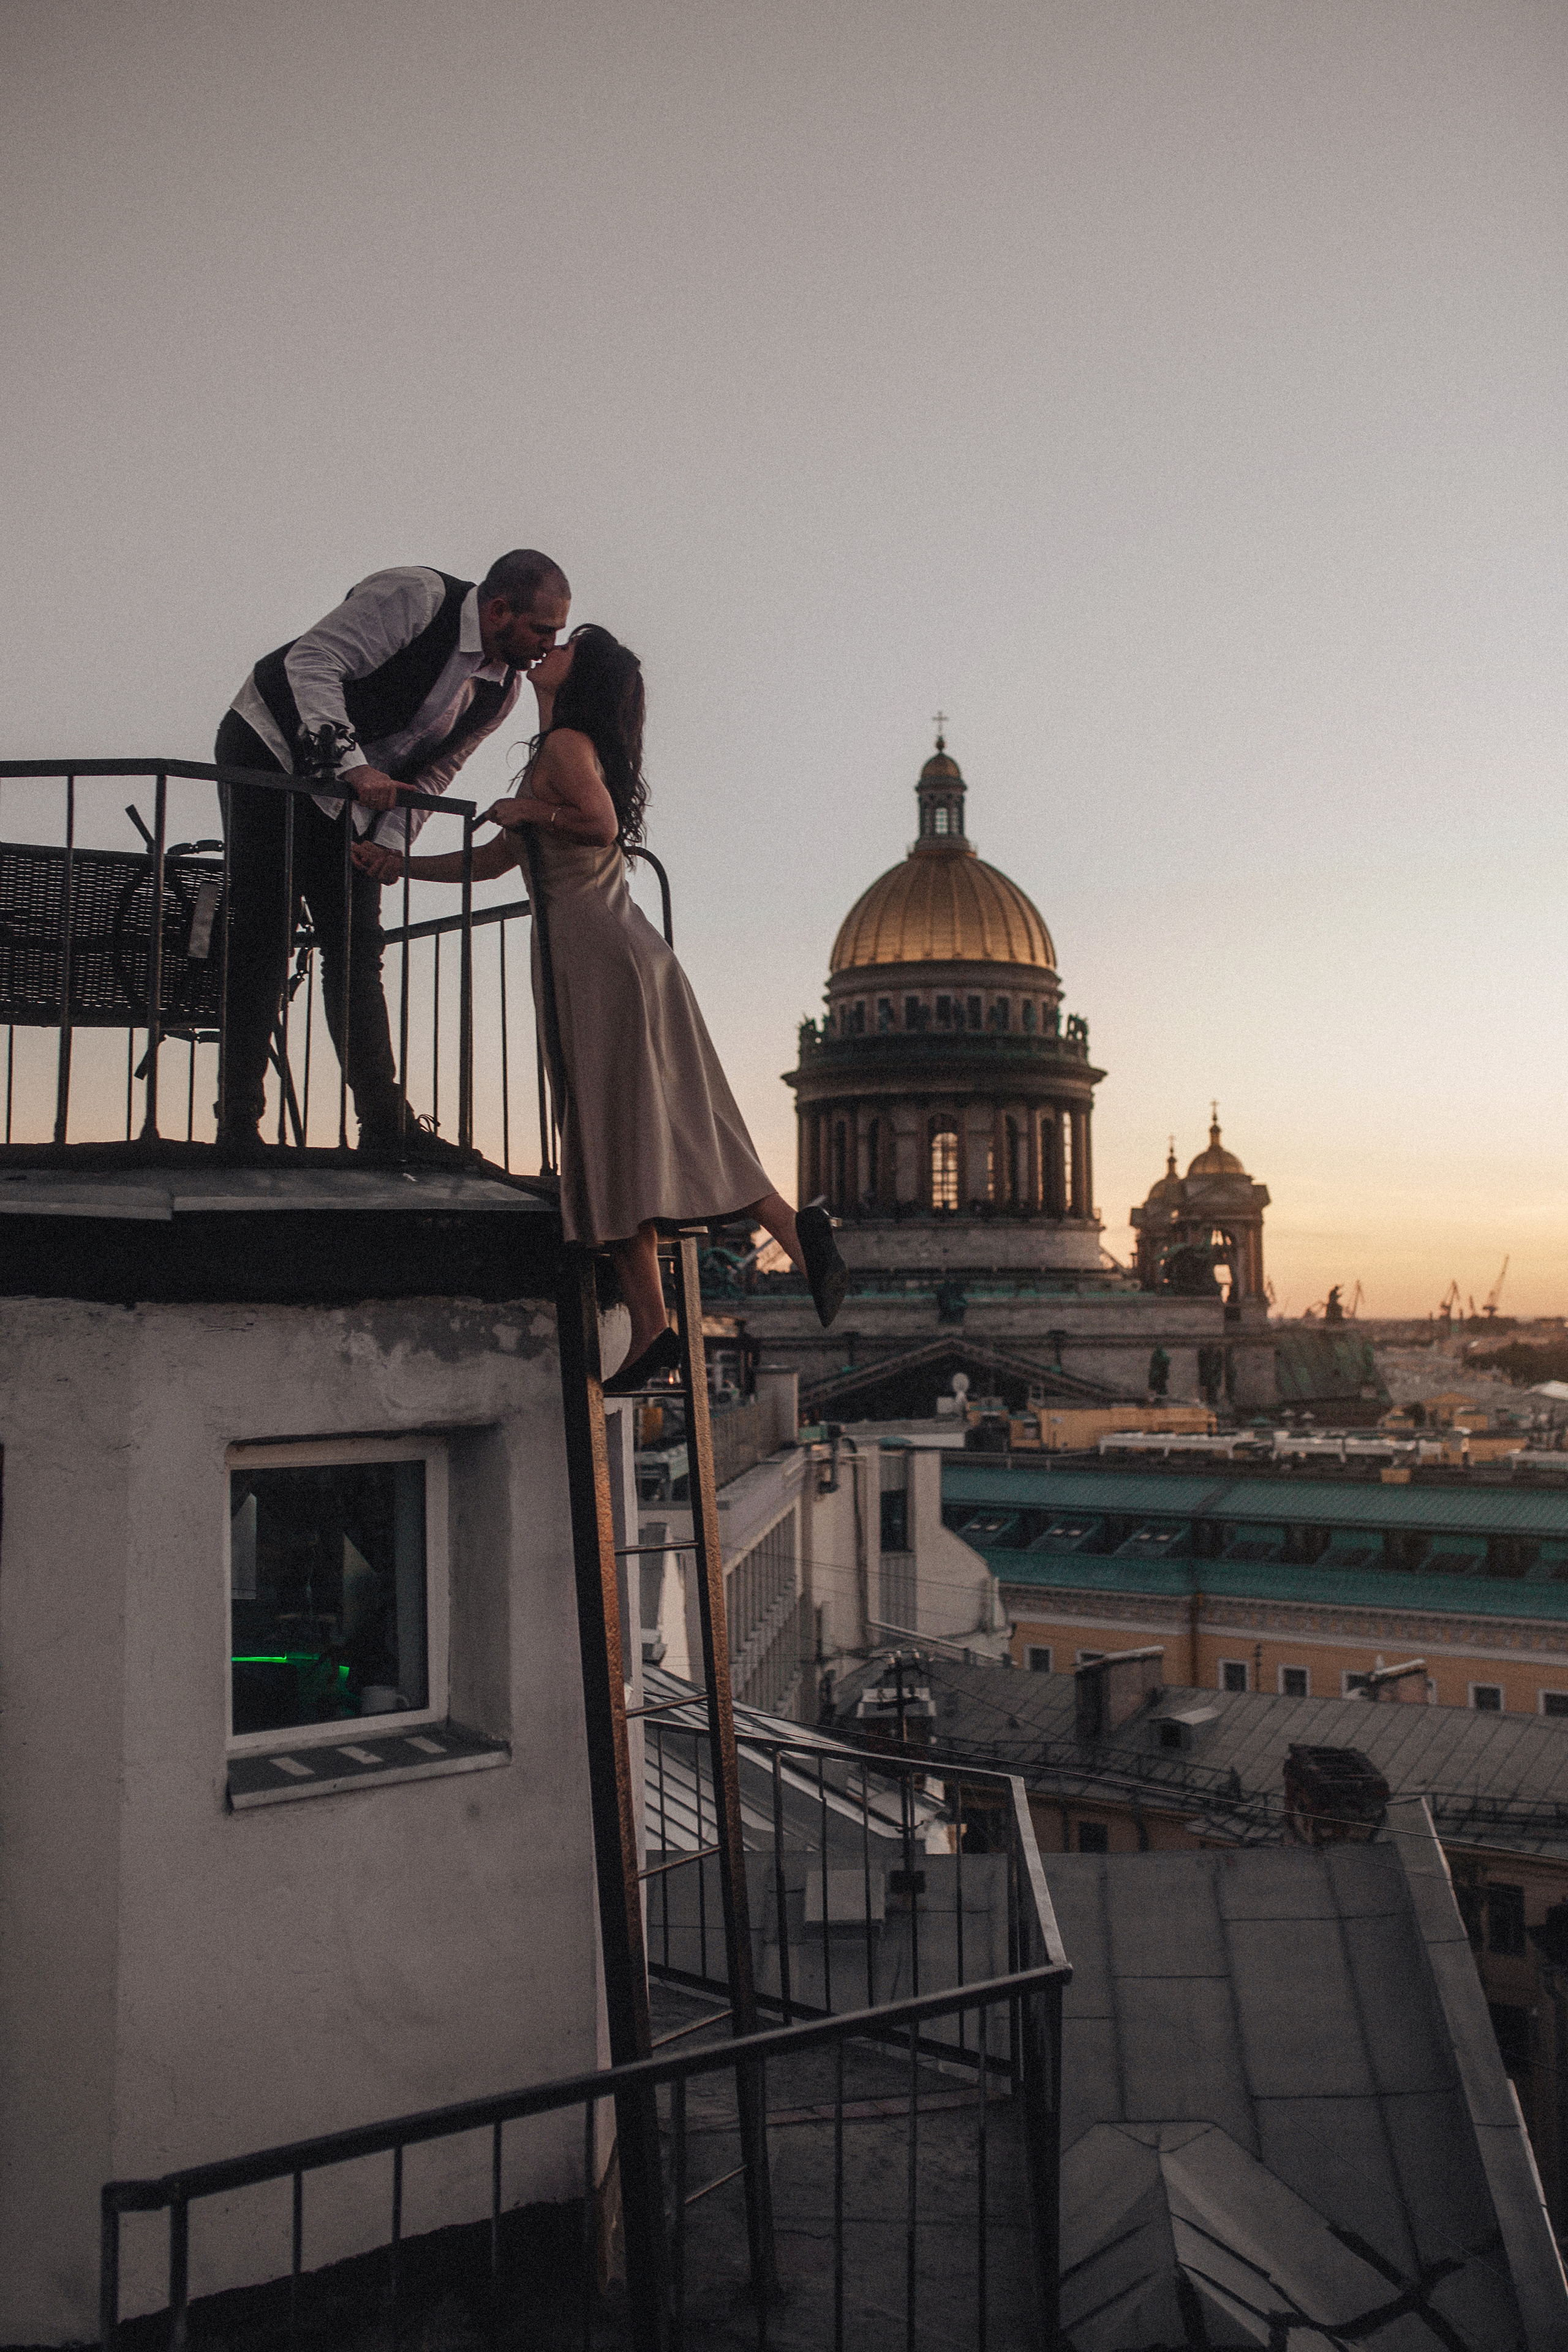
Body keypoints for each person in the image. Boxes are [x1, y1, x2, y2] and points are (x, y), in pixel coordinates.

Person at [354, 624, 848, 1385]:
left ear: (581, 677)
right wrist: (401, 865)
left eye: (567, 647)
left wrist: (532, 816)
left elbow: (598, 826)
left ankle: (655, 1323)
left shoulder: (564, 749)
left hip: (600, 957)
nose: (548, 650)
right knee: (666, 1114)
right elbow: (492, 863)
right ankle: (787, 1229)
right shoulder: (560, 752)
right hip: (615, 953)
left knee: (611, 1124)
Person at [214, 551, 571, 1159]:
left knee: (356, 949)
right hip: (269, 751)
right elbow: (312, 661)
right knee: (264, 933)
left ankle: (385, 1125)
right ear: (498, 610)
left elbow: (436, 771)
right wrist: (352, 765)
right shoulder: (416, 597)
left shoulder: (501, 690)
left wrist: (389, 845)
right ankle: (239, 1125)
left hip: (348, 795)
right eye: (543, 629)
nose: (548, 645)